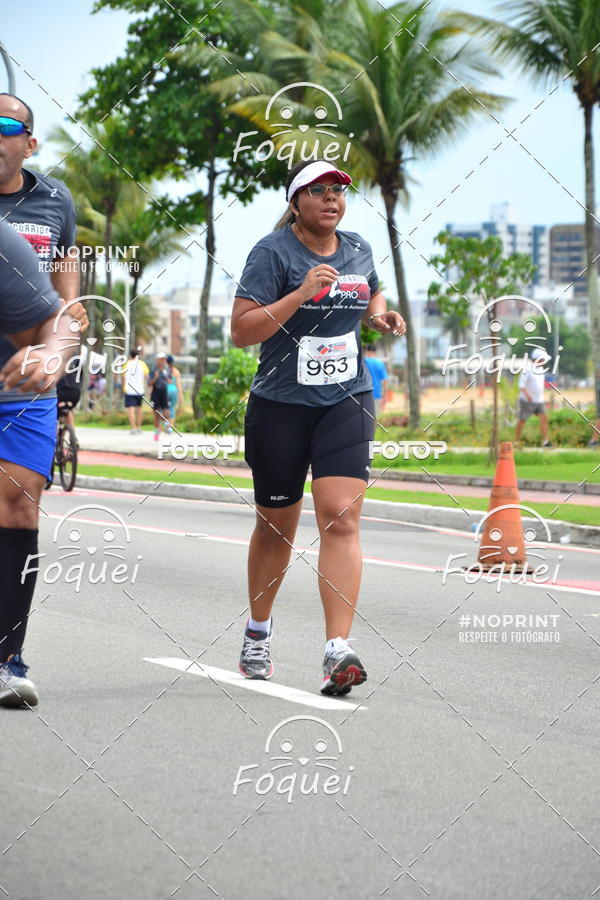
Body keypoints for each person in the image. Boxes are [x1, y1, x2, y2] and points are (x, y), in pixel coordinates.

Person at [231, 159, 405, 695]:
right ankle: (258, 631)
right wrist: (299, 294)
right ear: (297, 201)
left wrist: (378, 313)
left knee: (341, 518)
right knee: (277, 527)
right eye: (319, 191)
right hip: (281, 405)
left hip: (345, 400)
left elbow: (369, 290)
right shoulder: (271, 252)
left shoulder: (357, 247)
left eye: (338, 191)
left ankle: (338, 650)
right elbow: (242, 330)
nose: (332, 199)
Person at [0, 220, 76, 707]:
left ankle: (7, 660)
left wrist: (51, 356)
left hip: (12, 387)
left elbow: (57, 323)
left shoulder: (5, 245)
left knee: (18, 501)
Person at [514, 347, 553, 447]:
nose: (544, 361)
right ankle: (516, 441)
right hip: (527, 401)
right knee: (522, 420)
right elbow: (521, 385)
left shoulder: (541, 369)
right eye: (542, 359)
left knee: (544, 418)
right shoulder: (527, 369)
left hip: (539, 400)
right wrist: (528, 395)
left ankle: (545, 441)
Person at [123, 348, 149, 433]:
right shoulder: (142, 364)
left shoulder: (126, 364)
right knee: (139, 409)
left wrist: (123, 387)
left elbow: (123, 377)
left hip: (129, 389)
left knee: (131, 409)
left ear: (130, 355)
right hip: (139, 389)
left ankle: (133, 428)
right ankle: (139, 427)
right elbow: (146, 376)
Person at [149, 352, 172, 439]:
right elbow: (149, 383)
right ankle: (156, 432)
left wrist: (167, 378)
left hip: (164, 392)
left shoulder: (166, 370)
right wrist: (155, 377)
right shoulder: (153, 370)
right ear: (157, 360)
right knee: (156, 413)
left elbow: (170, 381)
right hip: (155, 392)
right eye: (161, 359)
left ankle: (167, 426)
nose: (163, 361)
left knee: (166, 411)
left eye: (164, 359)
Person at [363, 344, 389, 416]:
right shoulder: (380, 364)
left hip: (365, 393)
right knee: (375, 417)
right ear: (375, 352)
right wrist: (385, 395)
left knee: (365, 416)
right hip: (377, 393)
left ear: (367, 351)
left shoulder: (363, 362)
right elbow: (385, 380)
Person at [166, 354, 184, 428]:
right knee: (172, 409)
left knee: (165, 409)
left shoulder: (164, 371)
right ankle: (170, 428)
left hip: (166, 391)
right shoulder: (176, 371)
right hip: (174, 391)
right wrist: (181, 396)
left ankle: (166, 426)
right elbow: (178, 385)